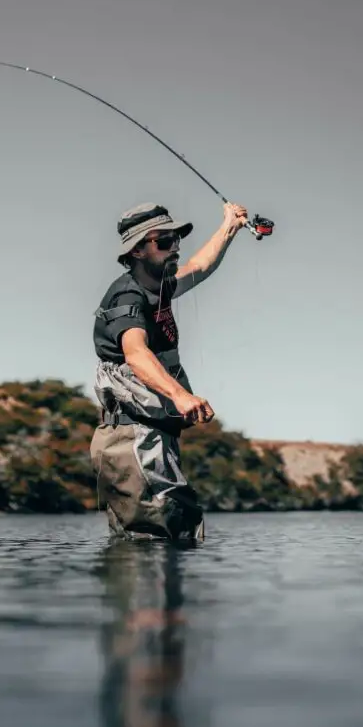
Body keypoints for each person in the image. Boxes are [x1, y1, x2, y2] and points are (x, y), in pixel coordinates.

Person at [90, 199, 248, 542]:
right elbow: (135, 353)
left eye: (176, 239)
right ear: (136, 251)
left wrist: (229, 227)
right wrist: (180, 395)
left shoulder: (159, 287)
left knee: (175, 533)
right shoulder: (127, 298)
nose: (174, 248)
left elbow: (200, 266)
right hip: (133, 440)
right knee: (156, 540)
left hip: (153, 437)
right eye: (163, 242)